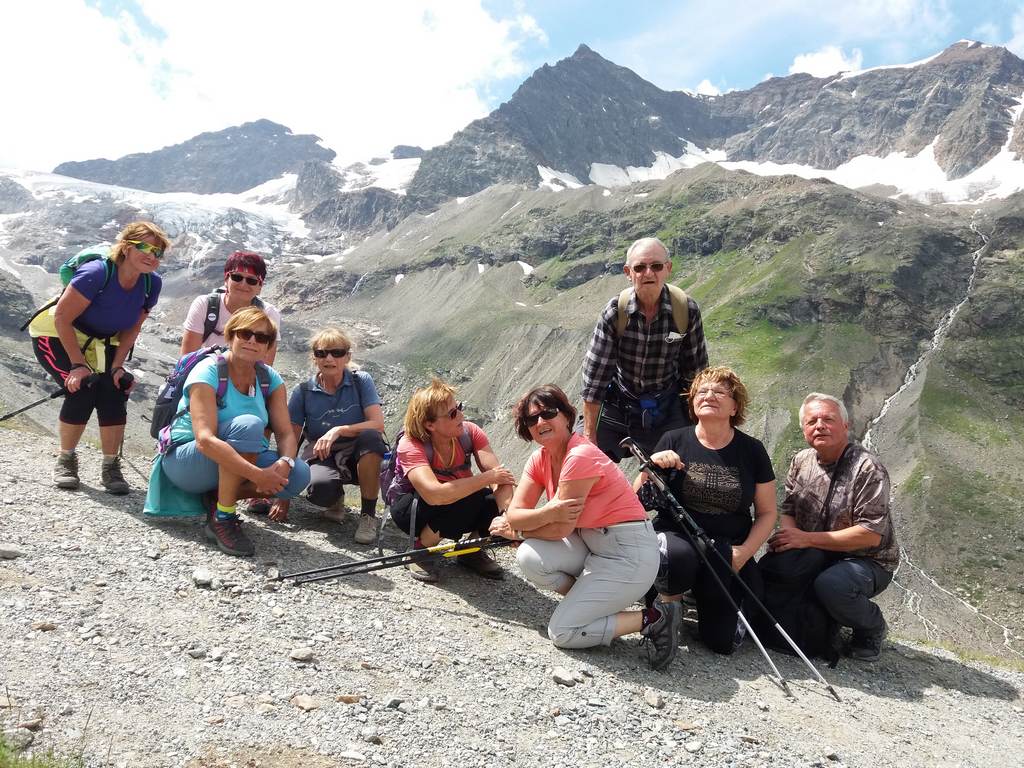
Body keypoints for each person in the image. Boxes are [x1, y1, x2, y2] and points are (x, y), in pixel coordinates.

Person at [489, 385, 678, 670]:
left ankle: (654, 618)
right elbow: (515, 512)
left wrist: (521, 530)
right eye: (531, 419)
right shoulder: (540, 458)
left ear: (566, 416)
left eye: (548, 413)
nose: (540, 422)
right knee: (530, 557)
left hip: (628, 554)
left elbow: (558, 529)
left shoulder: (579, 456)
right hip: (593, 543)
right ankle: (590, 601)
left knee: (562, 632)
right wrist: (545, 513)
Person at [638, 366, 777, 655]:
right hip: (678, 535)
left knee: (721, 642)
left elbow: (767, 513)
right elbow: (634, 498)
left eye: (720, 392)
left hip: (727, 548)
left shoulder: (752, 451)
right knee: (676, 557)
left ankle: (699, 594)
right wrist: (653, 464)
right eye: (702, 391)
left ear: (735, 406)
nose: (709, 395)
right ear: (692, 402)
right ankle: (667, 612)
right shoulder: (673, 440)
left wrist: (744, 553)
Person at [154, 307, 310, 557]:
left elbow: (285, 433)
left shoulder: (269, 379)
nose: (252, 341)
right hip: (186, 460)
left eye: (261, 337)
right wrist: (257, 475)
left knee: (299, 474)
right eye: (245, 333)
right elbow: (204, 440)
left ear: (268, 346)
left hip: (229, 460)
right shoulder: (208, 371)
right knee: (248, 425)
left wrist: (286, 462)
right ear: (230, 336)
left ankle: (218, 497)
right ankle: (224, 517)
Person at [29, 221, 167, 494]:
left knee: (115, 389)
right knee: (81, 387)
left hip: (101, 340)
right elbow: (62, 317)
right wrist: (77, 365)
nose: (152, 256)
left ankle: (110, 466)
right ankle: (66, 460)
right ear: (126, 247)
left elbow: (133, 327)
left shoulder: (152, 283)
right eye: (145, 247)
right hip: (55, 334)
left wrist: (117, 367)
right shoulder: (96, 273)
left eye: (158, 252)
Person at [768, 393, 899, 661]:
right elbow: (789, 509)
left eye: (828, 419)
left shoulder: (867, 469)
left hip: (866, 560)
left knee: (832, 585)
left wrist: (805, 540)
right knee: (777, 566)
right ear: (804, 430)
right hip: (815, 549)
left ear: (845, 425)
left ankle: (871, 625)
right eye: (811, 421)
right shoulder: (801, 461)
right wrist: (790, 539)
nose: (820, 426)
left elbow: (869, 535)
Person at [580, 236, 708, 462]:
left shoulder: (686, 310)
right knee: (580, 457)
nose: (648, 273)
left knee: (685, 467)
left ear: (668, 268)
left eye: (656, 266)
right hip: (619, 403)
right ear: (628, 272)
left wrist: (702, 430)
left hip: (667, 406)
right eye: (640, 268)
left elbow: (696, 375)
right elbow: (595, 380)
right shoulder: (615, 312)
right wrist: (590, 437)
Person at [390, 379, 515, 583]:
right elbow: (434, 494)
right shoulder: (410, 444)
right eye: (452, 413)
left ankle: (471, 550)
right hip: (412, 509)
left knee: (491, 501)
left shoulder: (470, 432)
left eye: (459, 407)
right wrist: (488, 477)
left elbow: (501, 478)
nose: (461, 416)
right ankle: (419, 550)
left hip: (456, 500)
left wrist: (508, 516)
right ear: (429, 424)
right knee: (463, 498)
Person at [274, 327, 386, 544]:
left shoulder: (361, 380)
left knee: (372, 438)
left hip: (359, 451)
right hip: (323, 453)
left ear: (347, 357)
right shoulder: (303, 392)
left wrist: (338, 430)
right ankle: (335, 498)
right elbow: (290, 439)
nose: (329, 358)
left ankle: (368, 516)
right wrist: (284, 495)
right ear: (314, 358)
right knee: (320, 491)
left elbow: (377, 424)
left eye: (337, 352)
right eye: (321, 353)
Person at [180, 250, 281, 364]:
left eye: (251, 280)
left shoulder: (268, 314)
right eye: (237, 277)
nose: (243, 284)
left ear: (260, 287)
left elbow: (265, 365)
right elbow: (187, 360)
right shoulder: (204, 305)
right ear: (226, 280)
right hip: (206, 370)